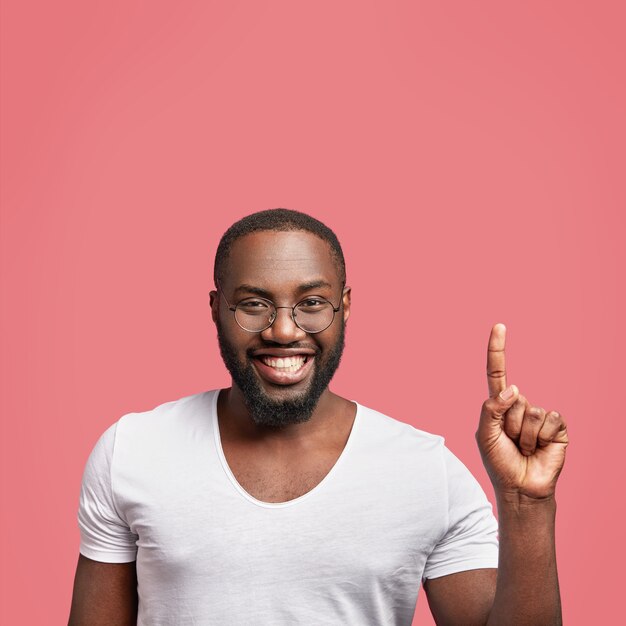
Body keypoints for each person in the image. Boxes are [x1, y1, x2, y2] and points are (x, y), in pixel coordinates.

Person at [68, 208, 568, 625]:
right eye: (253, 303)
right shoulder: (134, 451)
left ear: (345, 307)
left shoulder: (426, 471)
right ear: (216, 309)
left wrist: (526, 502)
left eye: (312, 303)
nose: (283, 329)